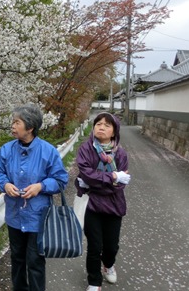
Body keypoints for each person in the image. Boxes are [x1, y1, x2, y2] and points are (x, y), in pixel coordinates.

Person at [0, 104, 69, 291]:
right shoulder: (6, 150)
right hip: (14, 215)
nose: (12, 126)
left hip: (38, 217)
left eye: (17, 122)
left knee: (35, 260)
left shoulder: (48, 151)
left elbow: (61, 180)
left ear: (30, 127)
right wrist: (5, 184)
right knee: (17, 258)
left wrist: (40, 187)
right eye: (13, 122)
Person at [75, 112, 131, 291]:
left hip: (114, 205)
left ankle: (108, 264)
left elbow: (118, 186)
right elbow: (86, 174)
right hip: (91, 205)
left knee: (111, 246)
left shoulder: (121, 154)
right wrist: (114, 176)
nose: (101, 127)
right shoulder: (86, 149)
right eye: (98, 123)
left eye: (107, 125)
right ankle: (94, 281)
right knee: (94, 245)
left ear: (114, 132)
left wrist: (97, 181)